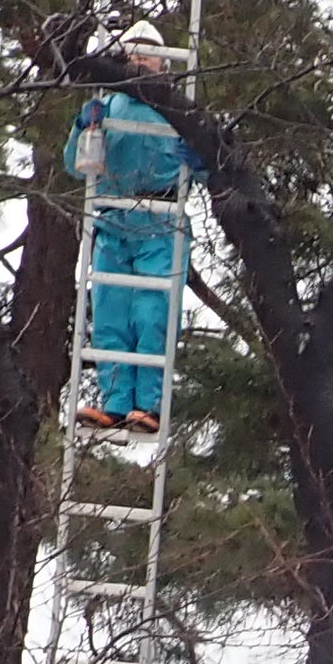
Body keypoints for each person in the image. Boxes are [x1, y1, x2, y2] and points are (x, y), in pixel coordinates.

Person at [67, 24, 202, 433]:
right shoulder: (107, 106)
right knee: (109, 314)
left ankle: (149, 405)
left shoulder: (179, 109)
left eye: (151, 54)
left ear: (165, 62)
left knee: (152, 314)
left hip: (160, 224)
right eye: (136, 54)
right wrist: (82, 127)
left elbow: (213, 169)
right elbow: (76, 164)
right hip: (112, 221)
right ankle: (115, 401)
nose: (143, 61)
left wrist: (201, 154)